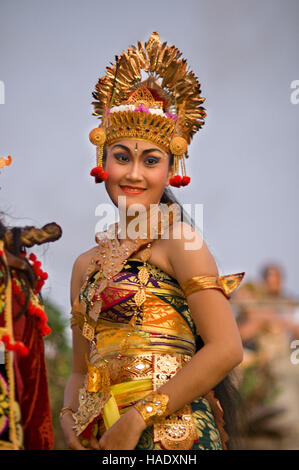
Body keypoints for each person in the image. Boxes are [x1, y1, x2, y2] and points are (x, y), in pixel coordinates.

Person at [60, 32, 245, 451]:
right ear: (101, 161)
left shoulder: (180, 240)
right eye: (121, 157)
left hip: (175, 435)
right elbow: (77, 371)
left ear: (171, 168)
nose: (134, 175)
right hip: (105, 437)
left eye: (151, 161)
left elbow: (226, 349)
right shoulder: (84, 265)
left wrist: (140, 417)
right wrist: (69, 417)